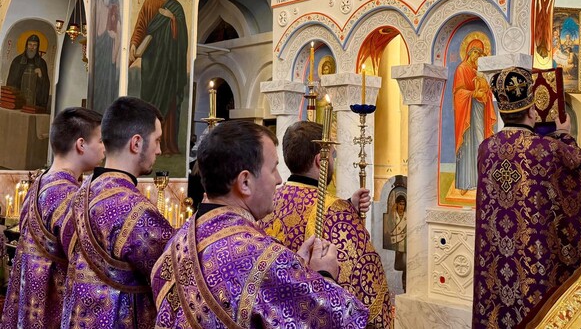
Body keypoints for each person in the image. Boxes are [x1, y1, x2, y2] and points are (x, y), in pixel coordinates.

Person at [151, 121, 368, 328]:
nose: (279, 179)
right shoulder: (261, 257)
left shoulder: (175, 244)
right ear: (245, 182)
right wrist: (324, 275)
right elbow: (346, 318)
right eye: (273, 169)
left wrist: (295, 268)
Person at [472, 66, 581, 328]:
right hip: (535, 259)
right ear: (532, 110)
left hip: (495, 259)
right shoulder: (548, 149)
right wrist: (565, 135)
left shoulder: (486, 148)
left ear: (501, 111)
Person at [259, 120, 393, 328]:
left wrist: (348, 206)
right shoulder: (335, 211)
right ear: (320, 160)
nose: (332, 161)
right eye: (332, 156)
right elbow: (366, 281)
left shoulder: (269, 201)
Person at [61, 97, 174, 328]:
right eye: (157, 141)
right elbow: (174, 270)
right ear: (136, 143)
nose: (159, 150)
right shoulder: (133, 208)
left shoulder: (82, 192)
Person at [1, 107, 104, 329]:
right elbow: (87, 265)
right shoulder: (67, 195)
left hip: (29, 307)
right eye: (100, 140)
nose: (105, 148)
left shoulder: (39, 185)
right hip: (52, 310)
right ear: (81, 144)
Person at [129, 0, 188, 155]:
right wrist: (134, 44)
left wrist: (172, 19)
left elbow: (183, 37)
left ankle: (167, 144)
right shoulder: (149, 3)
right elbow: (140, 26)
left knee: (169, 103)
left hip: (170, 64)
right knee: (149, 102)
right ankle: (146, 144)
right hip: (152, 62)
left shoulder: (176, 7)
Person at [453, 38, 496, 193]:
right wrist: (473, 94)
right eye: (475, 52)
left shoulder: (480, 71)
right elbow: (458, 93)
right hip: (466, 114)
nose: (477, 55)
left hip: (479, 110)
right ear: (469, 52)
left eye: (480, 53)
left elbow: (487, 90)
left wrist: (485, 92)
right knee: (467, 144)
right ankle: (465, 183)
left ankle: (481, 181)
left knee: (480, 141)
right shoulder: (462, 69)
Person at [92, 0, 121, 113]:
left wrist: (115, 35)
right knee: (99, 79)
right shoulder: (100, 0)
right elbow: (96, 23)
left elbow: (118, 23)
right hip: (100, 43)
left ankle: (108, 111)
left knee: (108, 78)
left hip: (110, 44)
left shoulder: (115, 0)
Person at [6, 34, 50, 109]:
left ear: (38, 47)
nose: (32, 47)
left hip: (34, 102)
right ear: (26, 45)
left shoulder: (41, 63)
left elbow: (45, 85)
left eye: (34, 45)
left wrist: (40, 75)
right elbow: (11, 82)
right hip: (19, 100)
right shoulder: (17, 60)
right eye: (30, 44)